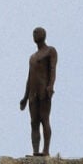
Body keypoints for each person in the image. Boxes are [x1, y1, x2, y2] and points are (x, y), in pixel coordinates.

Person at [19, 27, 57, 156]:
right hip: (32, 94)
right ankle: (35, 151)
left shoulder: (50, 51)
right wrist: (25, 97)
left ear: (44, 35)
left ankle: (46, 150)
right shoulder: (32, 57)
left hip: (44, 91)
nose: (34, 34)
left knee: (44, 119)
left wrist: (50, 86)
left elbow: (52, 70)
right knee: (34, 122)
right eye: (33, 33)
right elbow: (29, 78)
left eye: (37, 32)